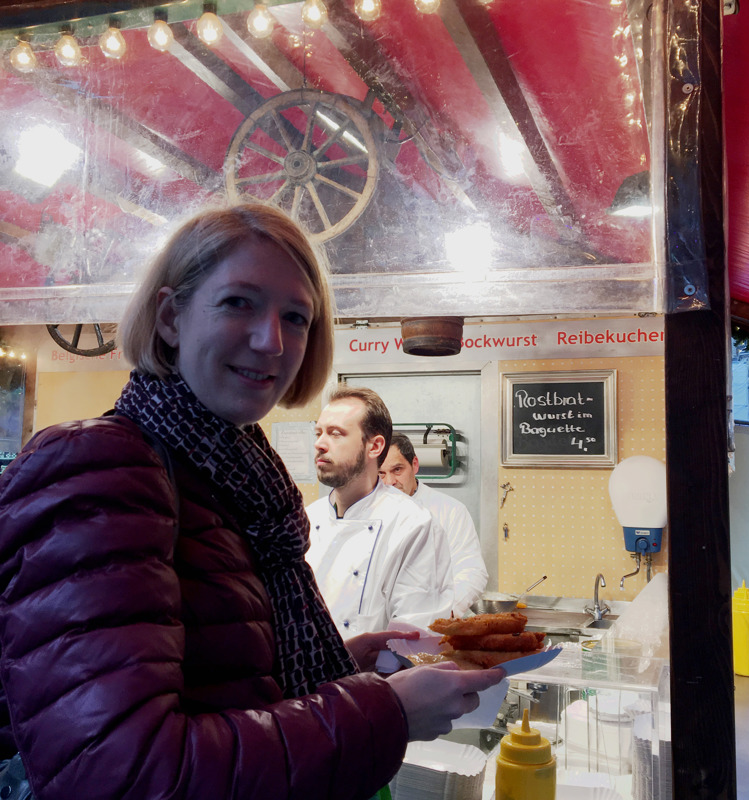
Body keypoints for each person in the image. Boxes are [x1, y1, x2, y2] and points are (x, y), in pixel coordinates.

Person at [0, 204, 504, 800]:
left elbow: (213, 685)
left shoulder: (237, 481)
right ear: (169, 317)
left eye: (296, 316)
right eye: (238, 302)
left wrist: (334, 666)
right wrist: (379, 713)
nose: (273, 340)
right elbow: (122, 774)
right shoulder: (98, 469)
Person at [306, 386, 456, 636]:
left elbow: (414, 639)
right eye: (319, 433)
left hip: (375, 675)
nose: (320, 444)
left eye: (335, 434)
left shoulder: (413, 525)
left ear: (374, 446)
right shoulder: (305, 520)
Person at [379, 433, 488, 616]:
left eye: (397, 470)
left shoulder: (450, 510)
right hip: (381, 624)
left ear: (414, 465)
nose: (389, 482)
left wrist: (447, 612)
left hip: (435, 623)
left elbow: (472, 571)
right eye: (380, 473)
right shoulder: (367, 513)